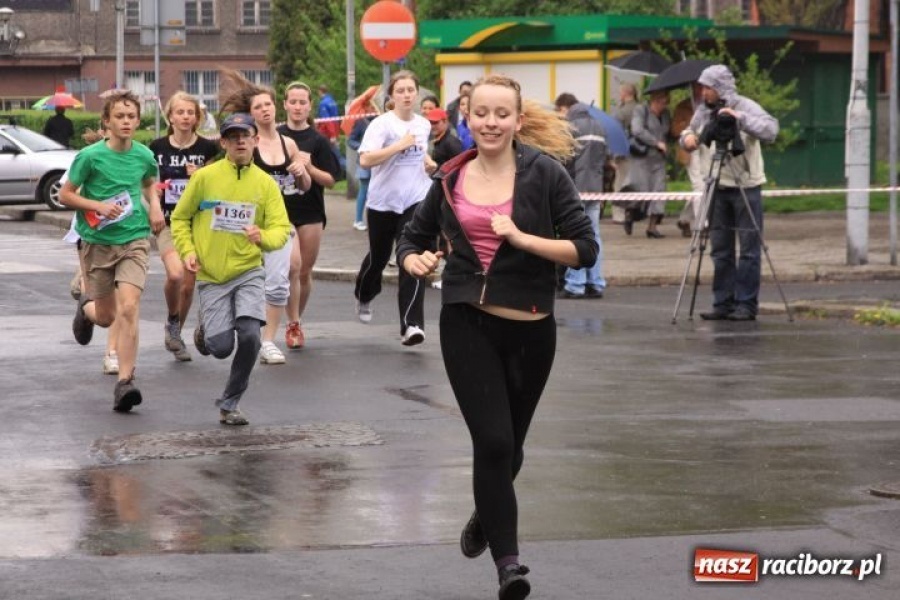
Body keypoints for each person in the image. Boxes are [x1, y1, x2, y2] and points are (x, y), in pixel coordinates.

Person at [397, 74, 598, 600]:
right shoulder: (449, 176)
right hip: (467, 320)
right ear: (467, 117)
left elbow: (585, 249)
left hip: (533, 329)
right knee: (493, 440)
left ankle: (486, 515)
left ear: (517, 119)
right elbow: (414, 237)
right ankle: (510, 567)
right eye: (480, 113)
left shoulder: (546, 174)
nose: (490, 122)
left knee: (512, 451)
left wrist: (523, 238)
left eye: (500, 113)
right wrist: (412, 258)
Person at [170, 113, 292, 425]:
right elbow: (180, 219)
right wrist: (188, 251)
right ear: (223, 142)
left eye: (245, 135)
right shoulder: (205, 178)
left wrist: (261, 236)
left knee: (251, 335)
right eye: (233, 136)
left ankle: (231, 401)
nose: (240, 141)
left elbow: (281, 229)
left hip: (249, 271)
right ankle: (205, 332)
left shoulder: (265, 184)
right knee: (220, 347)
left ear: (255, 140)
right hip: (211, 275)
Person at [60, 89, 164, 413]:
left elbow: (149, 182)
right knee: (106, 316)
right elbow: (66, 195)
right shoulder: (90, 157)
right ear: (107, 121)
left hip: (134, 238)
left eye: (131, 116)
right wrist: (98, 206)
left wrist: (155, 206)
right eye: (119, 116)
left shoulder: (144, 155)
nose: (126, 121)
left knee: (129, 307)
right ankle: (85, 308)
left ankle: (125, 382)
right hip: (98, 243)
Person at [219, 69, 312, 365]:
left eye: (268, 105)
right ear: (251, 114)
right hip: (245, 222)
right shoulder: (245, 144)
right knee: (241, 276)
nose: (265, 110)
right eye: (258, 107)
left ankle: (268, 339)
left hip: (280, 219)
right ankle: (222, 318)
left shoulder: (289, 144)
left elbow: (305, 186)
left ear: (275, 107)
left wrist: (301, 173)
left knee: (284, 274)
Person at [681, 65, 778, 321]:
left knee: (749, 248)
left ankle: (746, 304)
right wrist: (688, 139)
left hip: (746, 185)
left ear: (720, 88)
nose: (703, 92)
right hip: (716, 184)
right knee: (720, 249)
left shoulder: (746, 106)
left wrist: (739, 119)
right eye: (702, 87)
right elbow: (689, 133)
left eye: (708, 87)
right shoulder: (703, 112)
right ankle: (722, 302)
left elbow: (771, 130)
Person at [354, 69, 433, 346]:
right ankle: (364, 294)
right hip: (383, 203)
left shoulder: (423, 124)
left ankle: (411, 325)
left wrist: (428, 162)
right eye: (401, 90)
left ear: (417, 93)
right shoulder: (382, 125)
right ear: (392, 95)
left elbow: (420, 152)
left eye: (411, 90)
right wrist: (398, 146)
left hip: (415, 201)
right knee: (379, 257)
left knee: (412, 258)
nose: (406, 95)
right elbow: (365, 161)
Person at [149, 91, 221, 362]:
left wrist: (201, 175)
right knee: (176, 275)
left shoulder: (207, 149)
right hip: (167, 221)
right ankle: (172, 319)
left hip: (197, 223)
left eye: (191, 113)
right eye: (180, 112)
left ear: (197, 118)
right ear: (170, 116)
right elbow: (145, 182)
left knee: (189, 285)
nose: (186, 117)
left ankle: (175, 330)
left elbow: (217, 186)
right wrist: (153, 198)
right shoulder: (156, 147)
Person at [278, 81, 342, 349]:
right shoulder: (275, 136)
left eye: (302, 102)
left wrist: (309, 167)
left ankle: (296, 320)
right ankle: (292, 323)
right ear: (285, 104)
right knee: (291, 267)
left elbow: (331, 180)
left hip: (311, 212)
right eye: (293, 101)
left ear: (309, 106)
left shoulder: (318, 140)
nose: (297, 107)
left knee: (304, 272)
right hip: (281, 212)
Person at [554, 93, 607, 299]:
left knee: (576, 234)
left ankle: (576, 284)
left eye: (559, 111)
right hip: (596, 186)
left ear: (565, 108)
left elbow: (565, 159)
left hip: (575, 186)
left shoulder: (571, 126)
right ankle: (596, 282)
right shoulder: (599, 125)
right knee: (594, 235)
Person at [624, 90, 671, 238]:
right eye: (661, 102)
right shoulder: (640, 110)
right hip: (642, 158)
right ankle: (630, 215)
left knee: (659, 191)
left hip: (659, 159)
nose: (663, 106)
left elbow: (667, 133)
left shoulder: (666, 114)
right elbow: (637, 130)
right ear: (654, 100)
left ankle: (652, 227)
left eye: (665, 102)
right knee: (640, 191)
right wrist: (656, 142)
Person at [671, 82, 706, 237]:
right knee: (699, 186)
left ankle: (684, 219)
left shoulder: (709, 104)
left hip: (707, 149)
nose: (700, 90)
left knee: (705, 187)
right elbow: (675, 130)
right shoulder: (683, 106)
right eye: (697, 87)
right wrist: (690, 123)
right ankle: (703, 224)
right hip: (690, 151)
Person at [347, 101, 379, 232]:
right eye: (370, 106)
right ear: (366, 107)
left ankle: (375, 220)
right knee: (364, 189)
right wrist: (361, 148)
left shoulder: (382, 120)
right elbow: (351, 140)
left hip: (379, 160)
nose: (373, 108)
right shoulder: (361, 122)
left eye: (374, 105)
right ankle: (358, 220)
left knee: (377, 191)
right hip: (365, 161)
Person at [612, 83, 638, 223]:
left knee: (620, 182)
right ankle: (633, 211)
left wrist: (614, 154)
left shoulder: (621, 112)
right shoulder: (639, 108)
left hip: (623, 152)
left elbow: (616, 133)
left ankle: (618, 213)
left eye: (620, 92)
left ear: (626, 93)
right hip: (638, 152)